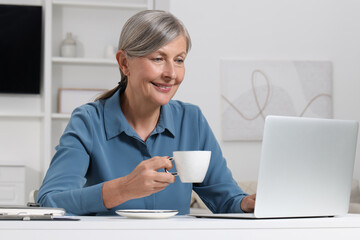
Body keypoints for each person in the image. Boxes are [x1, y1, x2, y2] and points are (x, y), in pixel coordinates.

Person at [36, 10, 256, 216]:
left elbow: (227, 201)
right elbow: (49, 201)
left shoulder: (191, 120)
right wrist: (122, 189)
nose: (171, 74)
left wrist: (247, 203)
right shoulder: (89, 121)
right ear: (124, 63)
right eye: (158, 59)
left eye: (179, 60)